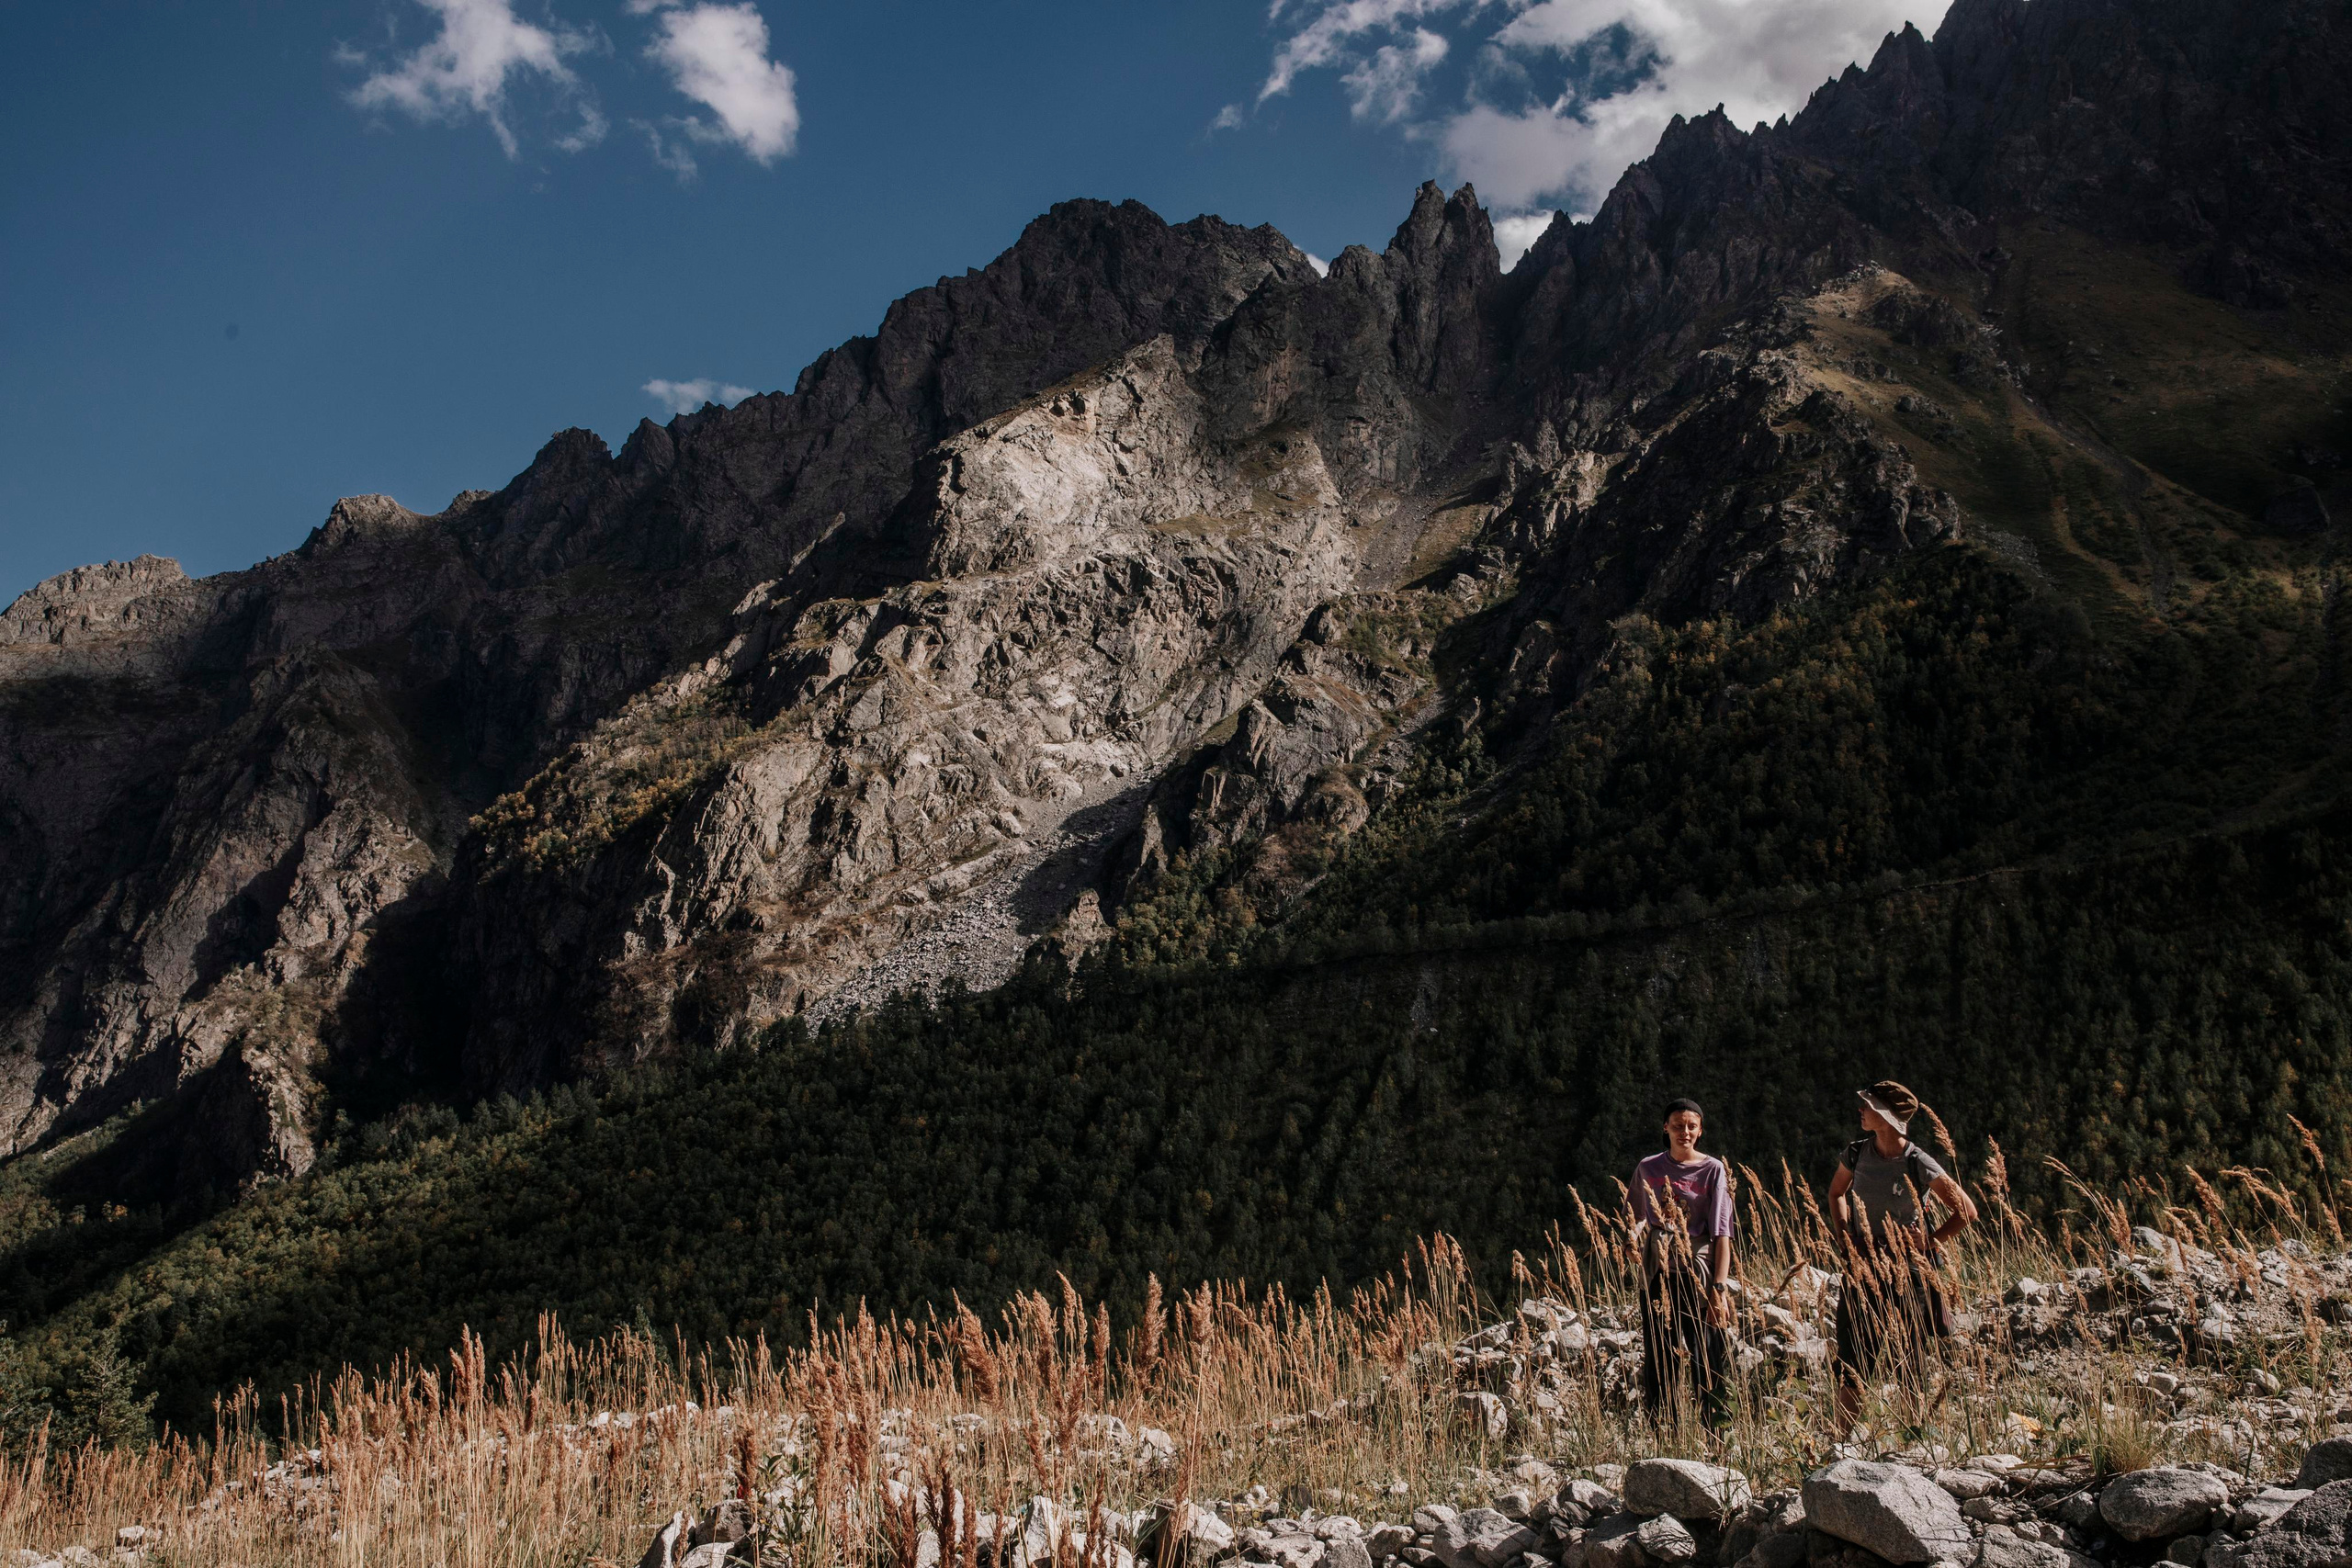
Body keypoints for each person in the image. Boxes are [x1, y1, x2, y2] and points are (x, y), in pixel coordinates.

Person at [1828, 1079, 1978, 1427]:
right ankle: (1840, 1443)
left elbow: (1967, 1211)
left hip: (1908, 1269)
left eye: (1868, 1106)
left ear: (1886, 1115)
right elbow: (1836, 1193)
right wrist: (1844, 1235)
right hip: (1863, 1263)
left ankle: (1912, 1438)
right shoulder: (1855, 1153)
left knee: (1911, 1357)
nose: (1861, 1110)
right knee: (1853, 1355)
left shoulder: (1917, 1161)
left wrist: (1930, 1240)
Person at [1630, 1097, 1736, 1427]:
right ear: (1666, 1128)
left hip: (1697, 1270)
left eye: (1691, 1126)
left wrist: (1719, 1288)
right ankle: (1663, 1432)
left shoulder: (1713, 1169)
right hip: (1658, 1270)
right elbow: (1633, 1216)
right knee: (1659, 1356)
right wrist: (1631, 1241)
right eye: (1677, 1125)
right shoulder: (1648, 1167)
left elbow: (1722, 1233)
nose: (1684, 1132)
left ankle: (1716, 1433)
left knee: (1707, 1355)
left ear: (1701, 1130)